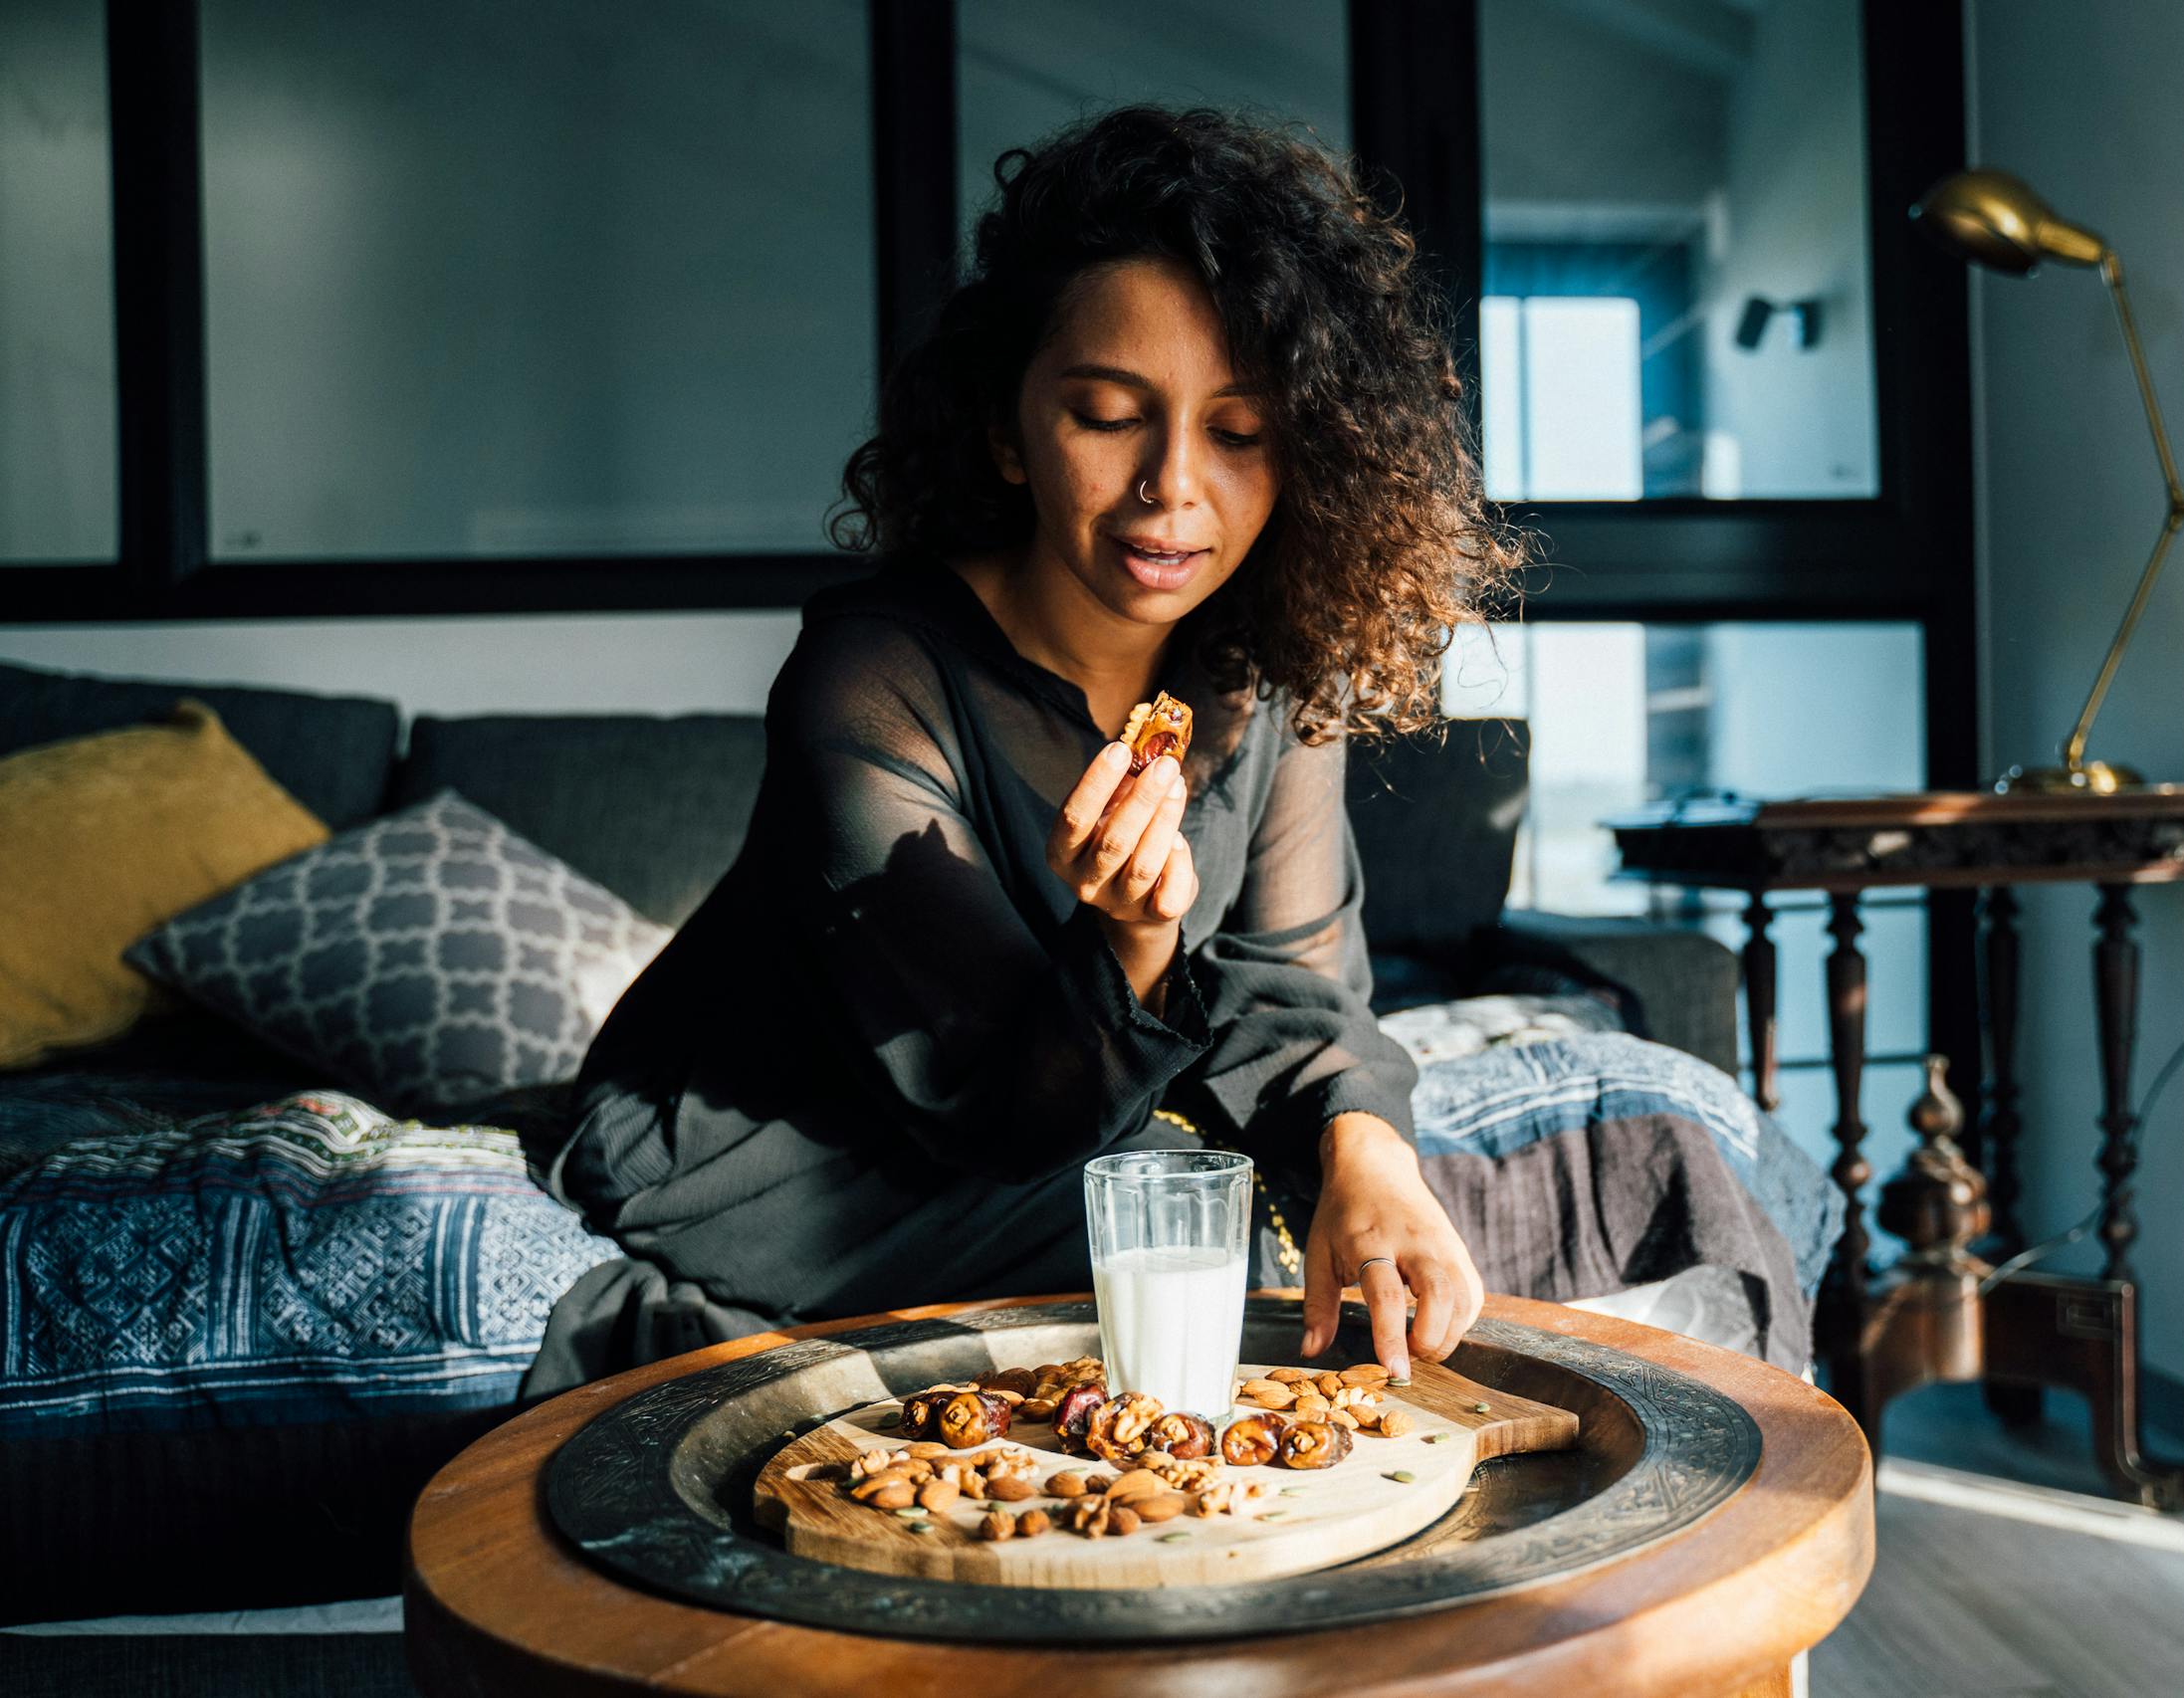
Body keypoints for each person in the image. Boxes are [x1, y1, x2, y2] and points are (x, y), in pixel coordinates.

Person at [523, 106, 1835, 1397]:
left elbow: (1296, 988)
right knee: (1194, 1219)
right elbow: (995, 1111)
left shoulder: (1269, 658)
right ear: (1006, 430)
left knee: (1317, 1187)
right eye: (1108, 413)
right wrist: (1133, 944)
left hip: (1068, 1115)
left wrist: (1372, 1155)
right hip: (795, 1143)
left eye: (1241, 432)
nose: (1173, 488)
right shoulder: (873, 680)